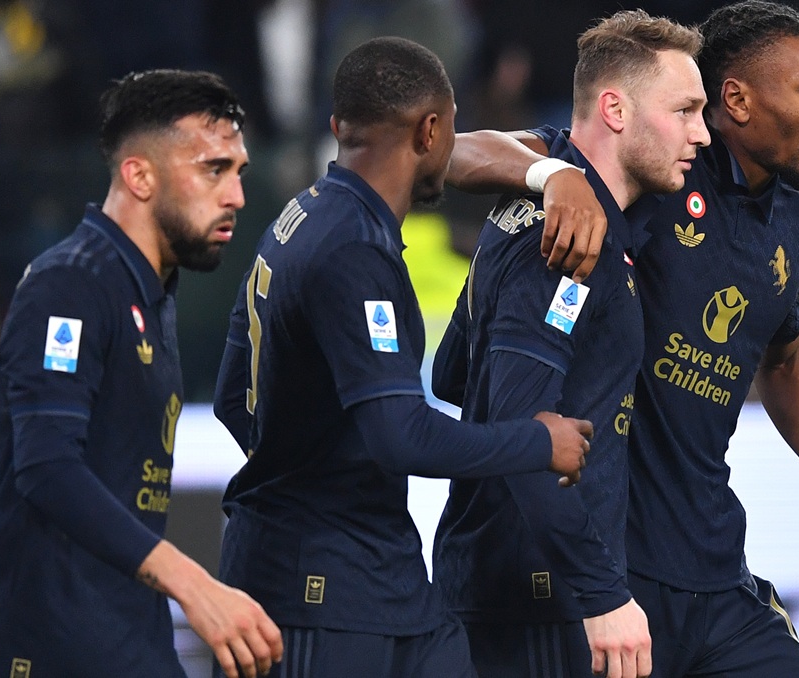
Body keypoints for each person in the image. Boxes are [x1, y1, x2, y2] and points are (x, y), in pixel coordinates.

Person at [447, 2, 799, 675]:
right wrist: (552, 174)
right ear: (736, 100)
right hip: (614, 566)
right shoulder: (652, 170)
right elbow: (456, 153)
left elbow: (783, 357)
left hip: (713, 562)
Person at [211, 37, 594, 678]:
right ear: (431, 130)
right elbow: (399, 437)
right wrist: (535, 442)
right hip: (318, 591)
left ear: (338, 127)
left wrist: (302, 457)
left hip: (382, 579)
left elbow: (231, 395)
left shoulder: (300, 217)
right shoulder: (353, 250)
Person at [0, 70, 283, 678]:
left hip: (119, 640)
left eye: (239, 172)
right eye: (213, 169)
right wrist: (192, 584)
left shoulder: (148, 294)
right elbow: (47, 467)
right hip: (35, 650)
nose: (235, 195)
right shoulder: (72, 284)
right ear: (139, 175)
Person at [430, 10, 709, 678]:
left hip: (515, 587)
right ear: (615, 109)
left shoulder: (557, 190)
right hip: (533, 605)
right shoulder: (567, 243)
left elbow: (451, 378)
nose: (701, 134)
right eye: (685, 110)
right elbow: (524, 437)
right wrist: (604, 595)